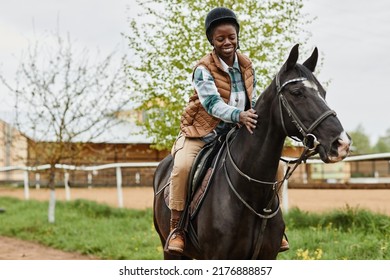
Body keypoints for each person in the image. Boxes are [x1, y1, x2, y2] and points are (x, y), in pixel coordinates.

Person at [166, 7, 289, 254]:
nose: (227, 42)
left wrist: (253, 116)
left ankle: (272, 221)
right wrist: (239, 116)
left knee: (278, 166)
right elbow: (212, 104)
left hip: (235, 131)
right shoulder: (202, 69)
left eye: (231, 37)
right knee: (182, 167)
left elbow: (248, 100)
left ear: (237, 36)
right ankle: (177, 227)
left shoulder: (246, 65)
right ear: (212, 40)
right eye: (220, 38)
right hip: (201, 131)